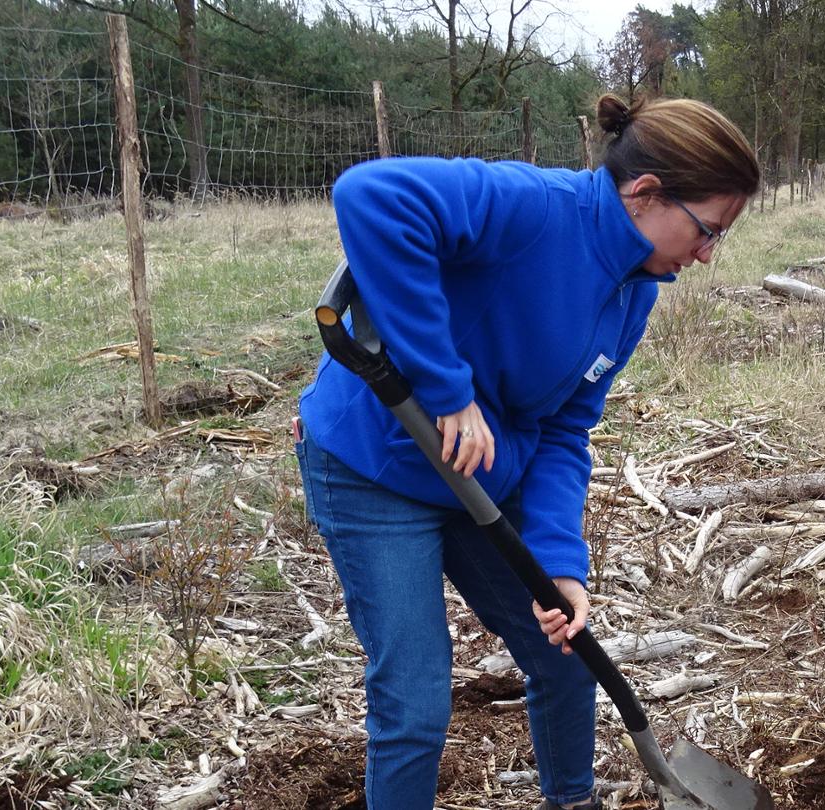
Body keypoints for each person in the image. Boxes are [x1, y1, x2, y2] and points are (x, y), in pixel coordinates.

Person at [295, 94, 760, 810]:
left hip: (480, 476)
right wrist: (446, 388)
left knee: (566, 654)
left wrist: (564, 569)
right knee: (416, 706)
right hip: (376, 468)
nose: (705, 254)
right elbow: (371, 196)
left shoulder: (635, 291)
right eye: (707, 230)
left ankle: (571, 801)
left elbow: (566, 430)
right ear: (645, 194)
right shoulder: (533, 208)